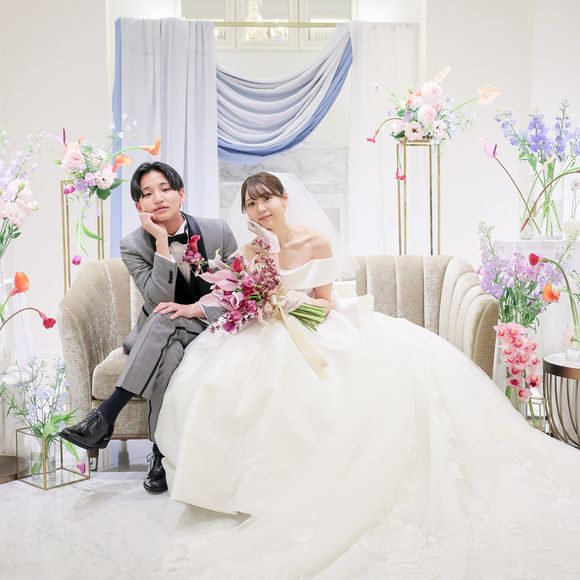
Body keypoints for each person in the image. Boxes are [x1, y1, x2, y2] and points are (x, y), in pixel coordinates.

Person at [156, 171, 580, 578]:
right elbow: (231, 293)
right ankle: (238, 484)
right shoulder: (251, 251)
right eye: (251, 203)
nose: (260, 208)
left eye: (266, 198)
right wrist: (213, 305)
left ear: (284, 200)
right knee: (224, 378)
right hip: (267, 325)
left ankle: (310, 481)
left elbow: (325, 303)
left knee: (319, 383)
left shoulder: (315, 240)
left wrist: (286, 302)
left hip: (313, 322)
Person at [60, 161, 237, 493]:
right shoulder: (133, 244)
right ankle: (161, 451)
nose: (158, 198)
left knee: (165, 318)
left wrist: (194, 309)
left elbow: (233, 293)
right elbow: (158, 299)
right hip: (162, 331)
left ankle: (106, 416)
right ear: (138, 206)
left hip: (207, 326)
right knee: (167, 350)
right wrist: (160, 243)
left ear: (181, 193)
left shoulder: (218, 232)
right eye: (147, 193)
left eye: (165, 189)